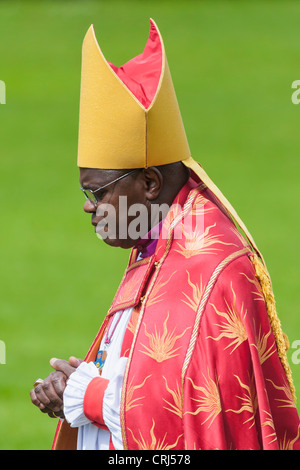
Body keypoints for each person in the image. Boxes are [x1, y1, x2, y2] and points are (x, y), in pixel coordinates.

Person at [30, 19, 300, 450]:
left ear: (150, 183)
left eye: (96, 191)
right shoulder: (155, 244)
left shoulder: (213, 271)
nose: (88, 206)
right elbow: (150, 373)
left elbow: (208, 420)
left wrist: (90, 395)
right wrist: (78, 388)